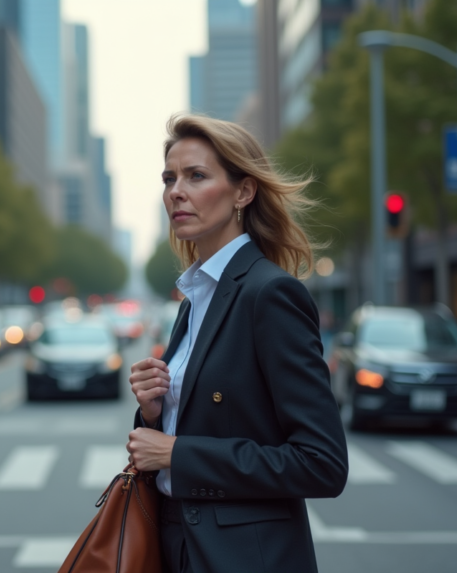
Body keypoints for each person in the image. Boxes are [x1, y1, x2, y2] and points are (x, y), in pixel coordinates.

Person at [127, 114, 348, 573]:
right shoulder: (196, 298)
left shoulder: (270, 294)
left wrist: (177, 453)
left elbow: (322, 462)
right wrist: (156, 410)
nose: (175, 192)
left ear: (243, 193)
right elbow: (215, 421)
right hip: (178, 550)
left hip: (246, 559)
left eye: (196, 176)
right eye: (170, 178)